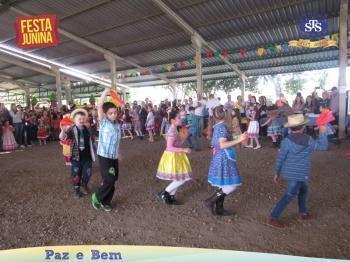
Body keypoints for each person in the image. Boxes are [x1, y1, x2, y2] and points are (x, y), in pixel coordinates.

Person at [267, 114, 328, 228]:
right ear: (303, 126)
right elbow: (323, 146)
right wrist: (323, 132)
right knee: (289, 195)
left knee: (304, 190)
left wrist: (277, 172)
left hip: (291, 172)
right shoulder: (308, 140)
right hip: (301, 173)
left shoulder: (286, 141)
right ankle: (273, 217)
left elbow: (281, 157)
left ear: (290, 127)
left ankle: (303, 213)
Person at [204, 105, 248, 216]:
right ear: (226, 115)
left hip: (220, 156)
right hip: (223, 157)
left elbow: (222, 141)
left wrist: (239, 137)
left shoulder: (218, 126)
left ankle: (219, 208)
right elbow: (222, 144)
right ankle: (210, 201)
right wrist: (239, 139)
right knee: (231, 185)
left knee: (223, 184)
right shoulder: (222, 127)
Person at [91, 88, 121, 211]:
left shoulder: (117, 124)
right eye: (110, 113)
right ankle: (97, 196)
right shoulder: (104, 122)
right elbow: (99, 107)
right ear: (105, 114)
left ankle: (106, 201)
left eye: (115, 112)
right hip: (104, 155)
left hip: (114, 156)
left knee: (113, 180)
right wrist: (105, 93)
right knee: (109, 178)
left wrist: (118, 153)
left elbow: (117, 141)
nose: (113, 115)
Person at [156, 110, 192, 205]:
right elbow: (169, 147)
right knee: (181, 179)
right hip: (172, 156)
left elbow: (178, 143)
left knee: (178, 177)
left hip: (176, 155)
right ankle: (164, 193)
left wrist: (185, 135)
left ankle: (170, 196)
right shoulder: (172, 130)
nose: (181, 119)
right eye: (179, 117)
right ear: (172, 120)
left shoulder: (176, 129)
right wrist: (184, 150)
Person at [59, 109, 95, 197]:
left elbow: (91, 140)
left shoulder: (87, 129)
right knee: (76, 174)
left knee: (88, 173)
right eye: (79, 119)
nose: (82, 120)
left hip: (87, 157)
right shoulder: (71, 129)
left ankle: (84, 184)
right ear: (74, 120)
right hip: (76, 157)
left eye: (83, 119)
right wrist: (62, 130)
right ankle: (76, 189)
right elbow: (62, 138)